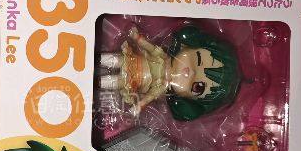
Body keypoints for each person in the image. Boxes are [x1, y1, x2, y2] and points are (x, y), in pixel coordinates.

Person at [97, 23, 242, 121]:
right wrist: (138, 38)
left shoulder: (162, 87)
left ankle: (95, 82)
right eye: (198, 60)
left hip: (134, 82)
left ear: (189, 100)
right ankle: (96, 59)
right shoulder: (162, 57)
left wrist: (139, 106)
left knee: (115, 82)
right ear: (188, 45)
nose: (190, 73)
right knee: (116, 60)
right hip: (135, 61)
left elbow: (150, 97)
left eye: (198, 87)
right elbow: (151, 48)